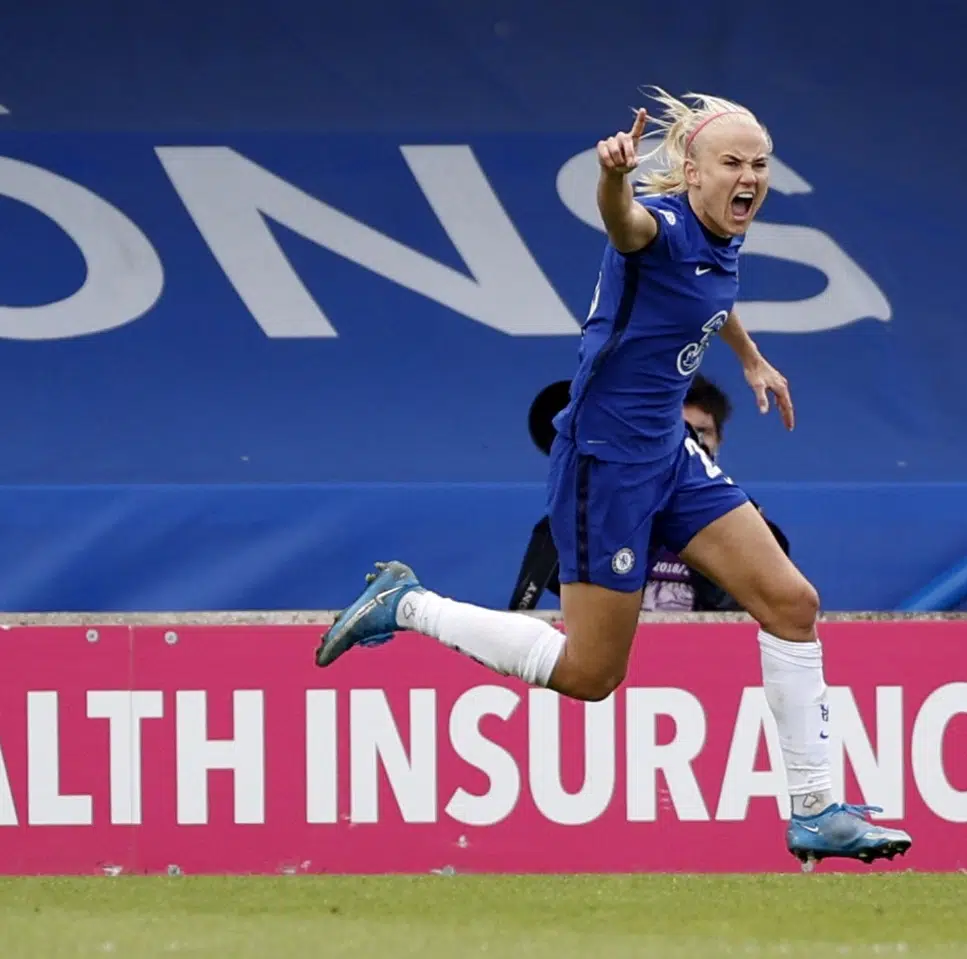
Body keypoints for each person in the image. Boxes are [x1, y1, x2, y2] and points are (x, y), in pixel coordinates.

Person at [315, 87, 911, 869]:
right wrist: (612, 179)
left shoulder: (720, 235)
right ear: (690, 172)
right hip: (606, 464)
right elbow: (624, 225)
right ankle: (408, 601)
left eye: (760, 164)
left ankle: (816, 810)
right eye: (732, 162)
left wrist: (751, 357)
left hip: (667, 451)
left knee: (793, 602)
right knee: (591, 672)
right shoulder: (656, 225)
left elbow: (710, 293)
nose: (750, 176)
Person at [508, 373, 790, 612]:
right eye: (679, 433)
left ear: (719, 440)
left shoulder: (742, 521)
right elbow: (555, 586)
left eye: (703, 433)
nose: (693, 444)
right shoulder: (598, 518)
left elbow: (757, 599)